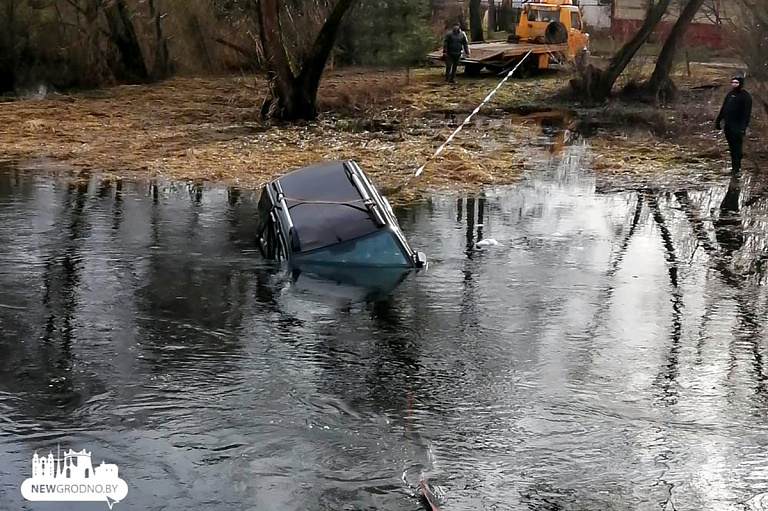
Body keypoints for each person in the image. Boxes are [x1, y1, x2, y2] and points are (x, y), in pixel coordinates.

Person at [716, 74, 752, 173]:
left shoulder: (745, 96)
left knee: (737, 147)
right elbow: (724, 108)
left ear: (741, 83)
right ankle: (733, 166)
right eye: (733, 82)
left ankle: (737, 168)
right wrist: (718, 120)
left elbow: (746, 113)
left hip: (738, 126)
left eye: (736, 82)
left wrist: (743, 127)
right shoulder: (730, 94)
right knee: (731, 147)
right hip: (728, 125)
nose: (734, 84)